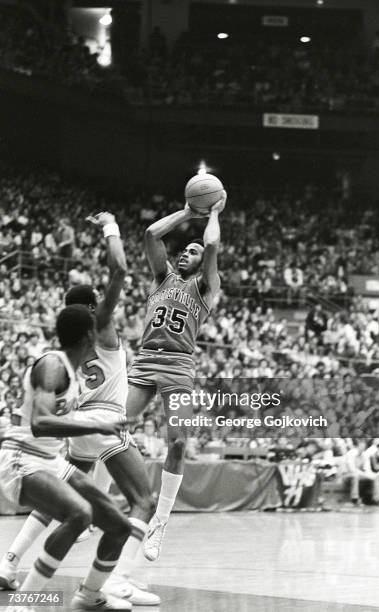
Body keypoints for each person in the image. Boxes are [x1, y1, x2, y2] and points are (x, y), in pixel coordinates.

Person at [0, 213, 160, 606]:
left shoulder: (69, 366)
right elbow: (119, 269)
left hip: (65, 445)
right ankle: (110, 581)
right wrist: (110, 226)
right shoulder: (62, 358)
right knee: (123, 504)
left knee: (106, 517)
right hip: (32, 453)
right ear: (90, 324)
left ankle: (17, 563)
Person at [0, 305, 133, 611]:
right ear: (89, 336)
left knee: (118, 525)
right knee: (80, 514)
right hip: (22, 457)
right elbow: (40, 422)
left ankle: (89, 595)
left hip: (50, 461)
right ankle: (22, 605)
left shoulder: (72, 371)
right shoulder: (52, 364)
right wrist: (98, 424)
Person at [127, 191, 226, 561]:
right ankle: (96, 505)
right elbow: (152, 234)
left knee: (179, 443)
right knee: (115, 427)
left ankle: (160, 523)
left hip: (179, 365)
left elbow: (212, 243)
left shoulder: (206, 287)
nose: (187, 252)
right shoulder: (162, 277)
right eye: (184, 249)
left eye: (193, 252)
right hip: (146, 359)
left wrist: (213, 213)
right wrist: (186, 211)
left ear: (203, 264)